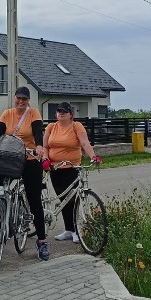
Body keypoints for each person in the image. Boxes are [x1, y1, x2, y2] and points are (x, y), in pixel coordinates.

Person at [0, 86, 49, 260]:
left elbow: (38, 131)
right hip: (11, 159)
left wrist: (39, 146)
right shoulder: (7, 114)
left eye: (24, 99)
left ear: (28, 101)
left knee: (34, 200)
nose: (21, 102)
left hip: (31, 160)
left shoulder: (33, 113)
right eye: (18, 98)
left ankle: (41, 241)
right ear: (14, 98)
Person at [42, 101, 102, 243]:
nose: (61, 113)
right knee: (63, 200)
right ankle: (69, 230)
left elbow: (85, 143)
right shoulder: (51, 127)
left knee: (72, 200)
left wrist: (93, 156)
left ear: (71, 115)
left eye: (65, 111)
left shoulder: (76, 126)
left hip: (72, 168)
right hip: (55, 169)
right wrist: (45, 159)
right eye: (59, 111)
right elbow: (45, 146)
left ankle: (75, 230)